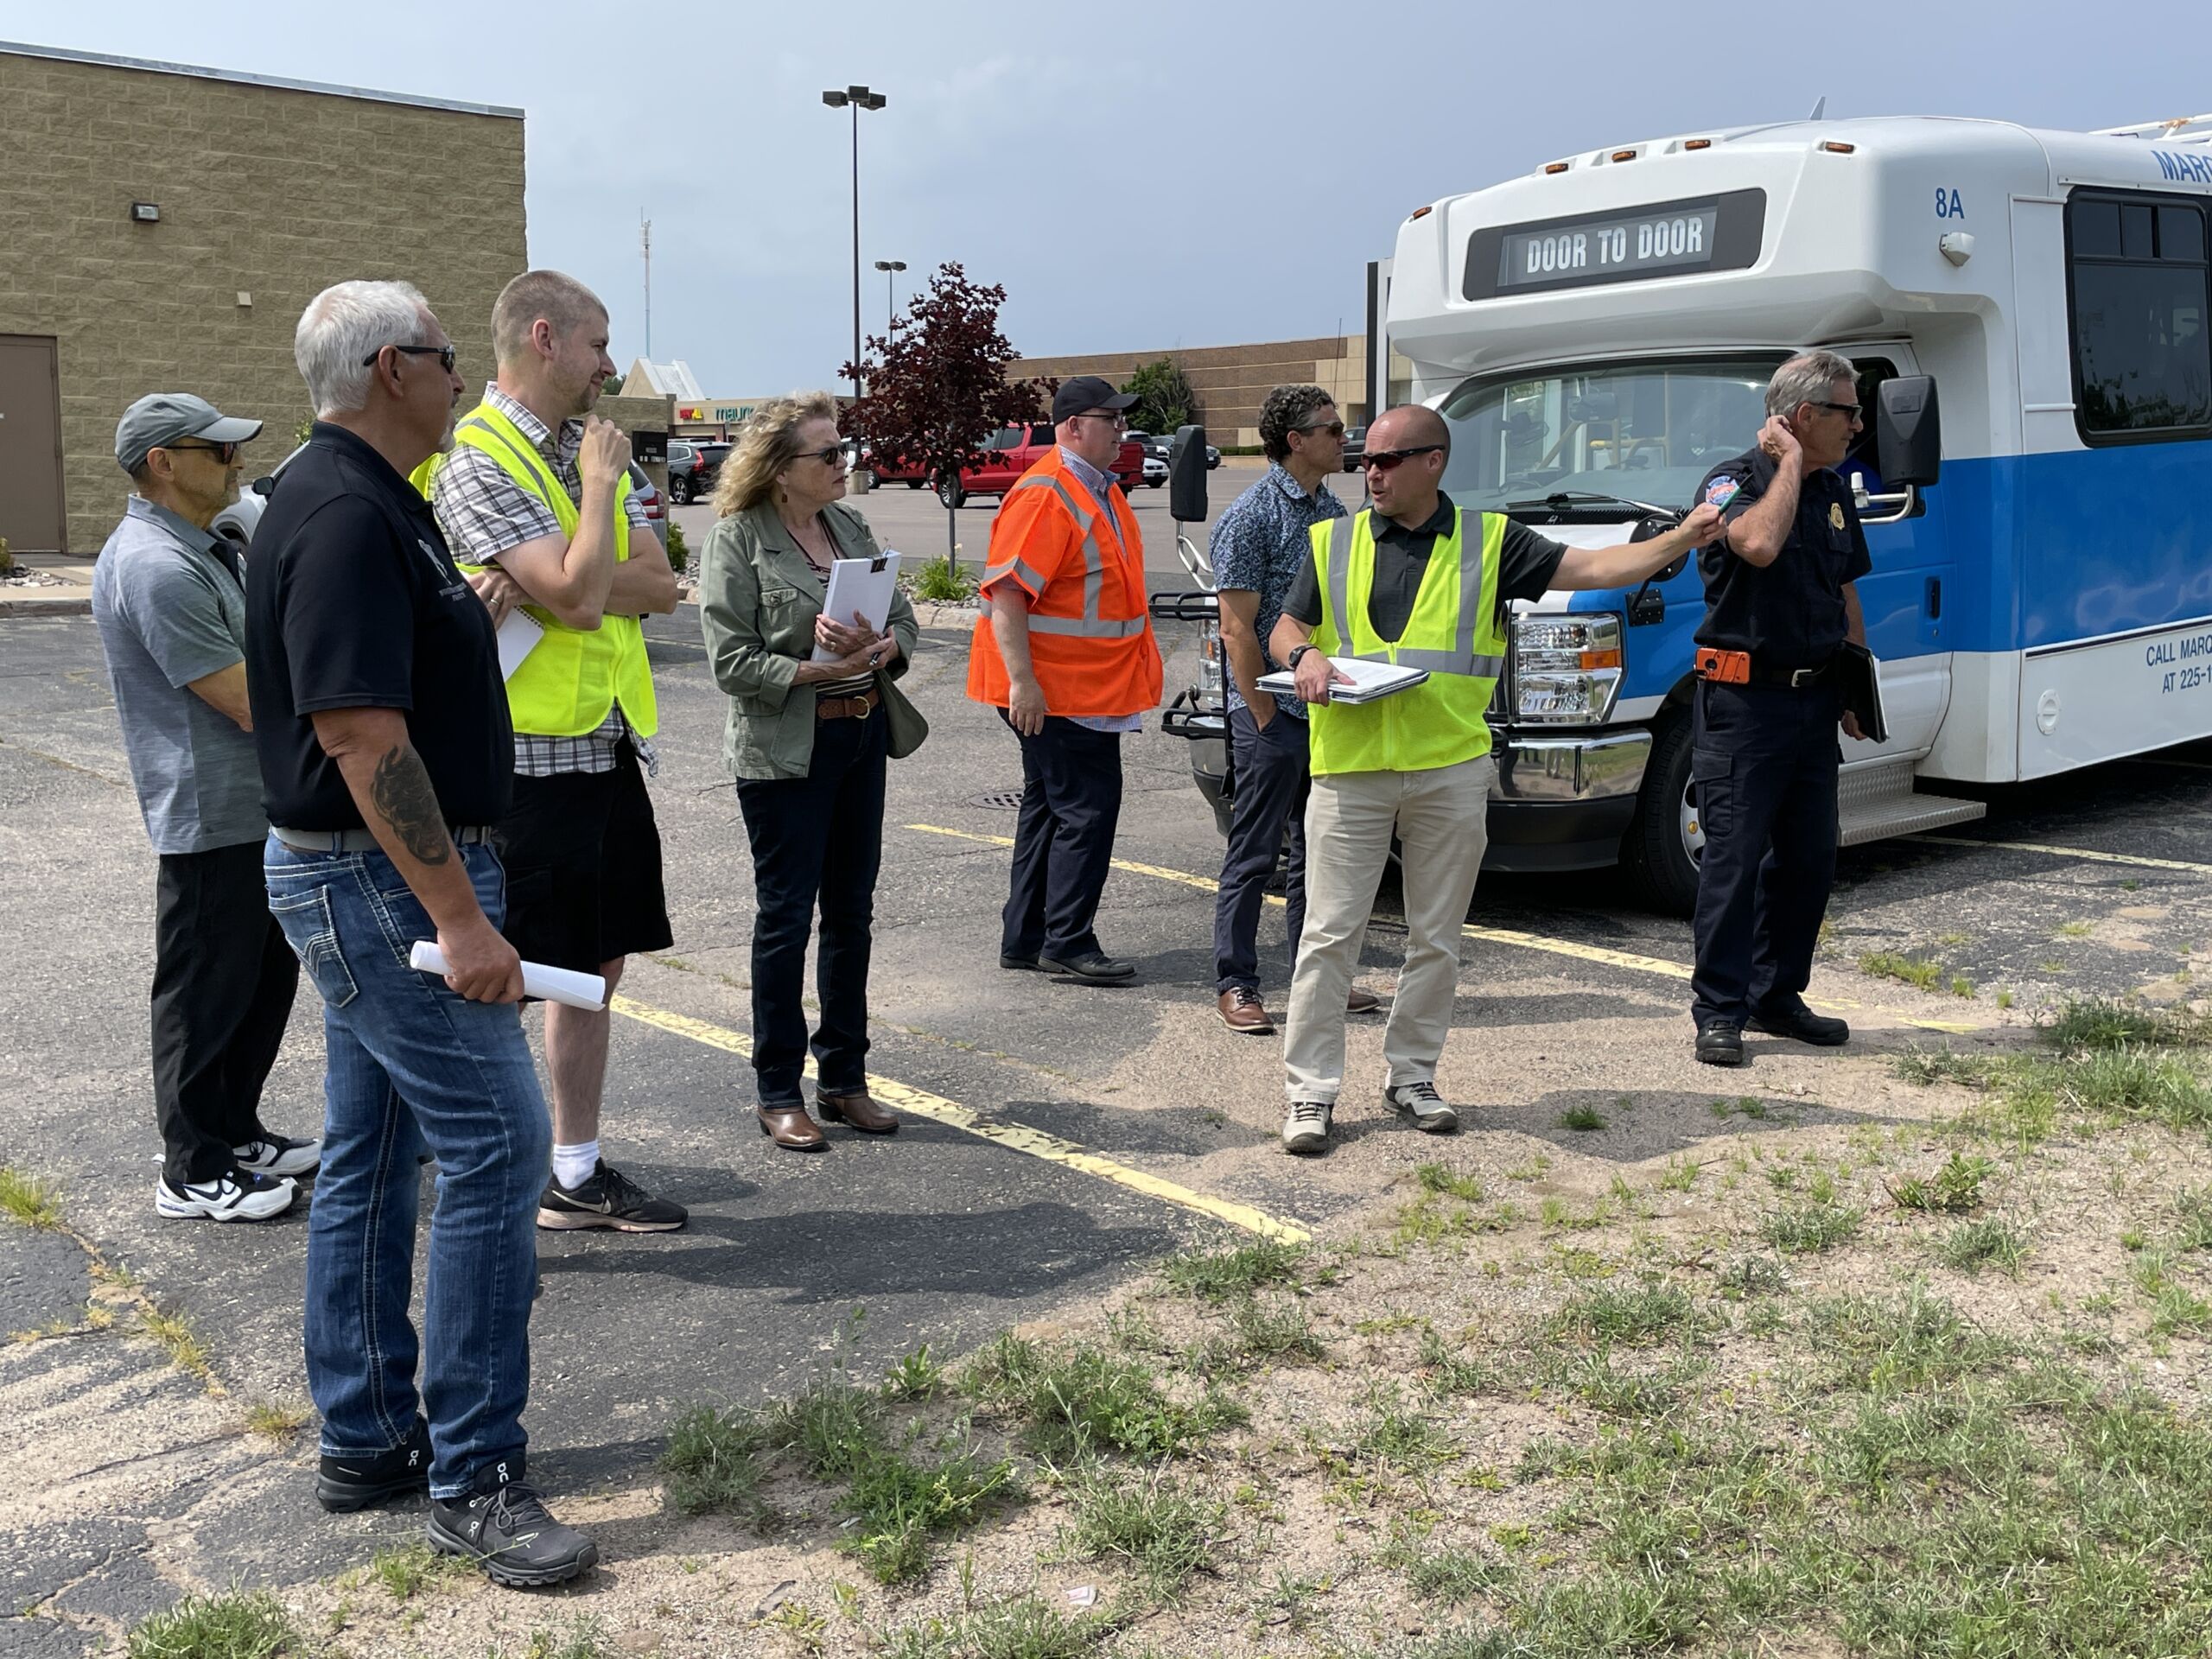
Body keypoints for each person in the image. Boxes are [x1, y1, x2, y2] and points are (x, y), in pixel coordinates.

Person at [248, 280, 595, 1585]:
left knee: (375, 1152)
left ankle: (369, 1434)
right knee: (500, 1151)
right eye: (447, 359)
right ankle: (476, 1477)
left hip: (368, 880)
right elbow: (357, 736)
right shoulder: (344, 511)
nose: (461, 378)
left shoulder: (363, 496)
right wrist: (460, 919)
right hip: (386, 888)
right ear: (394, 368)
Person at [1268, 405, 1723, 1154]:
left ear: (1434, 462)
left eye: (1386, 460)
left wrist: (1681, 538)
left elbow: (1594, 570)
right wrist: (1302, 656)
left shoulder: (1491, 541)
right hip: (1350, 769)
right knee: (1328, 937)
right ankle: (1310, 1093)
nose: (1370, 474)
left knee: (1436, 939)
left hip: (1448, 768)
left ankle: (1413, 1076)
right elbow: (1287, 626)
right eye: (1364, 461)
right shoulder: (1334, 540)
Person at [420, 270, 684, 1233]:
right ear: (545, 338)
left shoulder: (583, 444)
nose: (610, 366)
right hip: (521, 764)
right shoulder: (480, 459)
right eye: (598, 344)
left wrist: (570, 572)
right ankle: (469, 1161)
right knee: (501, 976)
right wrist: (599, 503)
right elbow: (578, 598)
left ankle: (573, 1169)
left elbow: (659, 586)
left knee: (595, 964)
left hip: (606, 745)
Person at [91, 393, 317, 1223]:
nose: (236, 463)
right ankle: (190, 1168)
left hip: (254, 807)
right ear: (162, 463)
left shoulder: (208, 544)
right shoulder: (156, 565)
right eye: (217, 451)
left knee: (259, 982)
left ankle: (233, 1133)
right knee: (202, 993)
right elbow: (248, 699)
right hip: (209, 816)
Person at [697, 392, 922, 1151]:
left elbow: (904, 618)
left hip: (861, 737)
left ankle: (845, 1079)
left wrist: (880, 647)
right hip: (787, 754)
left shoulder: (847, 524)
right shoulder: (737, 539)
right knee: (787, 918)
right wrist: (818, 667)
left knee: (852, 913)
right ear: (779, 469)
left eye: (842, 449)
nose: (842, 463)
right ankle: (777, 1089)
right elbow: (731, 664)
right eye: (827, 454)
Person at [1686, 350, 1874, 1067]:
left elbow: (1844, 588)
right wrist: (1789, 461)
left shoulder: (1832, 489)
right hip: (1744, 703)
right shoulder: (1733, 481)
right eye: (1847, 411)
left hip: (1813, 701)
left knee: (1809, 859)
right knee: (1733, 863)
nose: (1858, 425)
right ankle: (1720, 1009)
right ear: (1801, 417)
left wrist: (1855, 686)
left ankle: (1776, 995)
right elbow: (1759, 544)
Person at [966, 376, 1164, 983]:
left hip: (1080, 687)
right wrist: (1023, 683)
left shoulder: (1097, 488)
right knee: (1086, 810)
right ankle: (1068, 940)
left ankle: (1027, 938)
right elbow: (1007, 593)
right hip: (1056, 692)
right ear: (1074, 427)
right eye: (1112, 420)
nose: (1122, 431)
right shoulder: (1049, 493)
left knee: (1051, 808)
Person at [1207, 385, 1380, 1033]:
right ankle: (1236, 983)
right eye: (1332, 429)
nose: (1344, 438)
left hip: (1324, 710)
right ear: (1296, 441)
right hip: (1272, 715)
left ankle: (1320, 980)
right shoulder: (1252, 516)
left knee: (1320, 855)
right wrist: (1262, 717)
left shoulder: (1333, 510)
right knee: (1255, 853)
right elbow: (1236, 630)